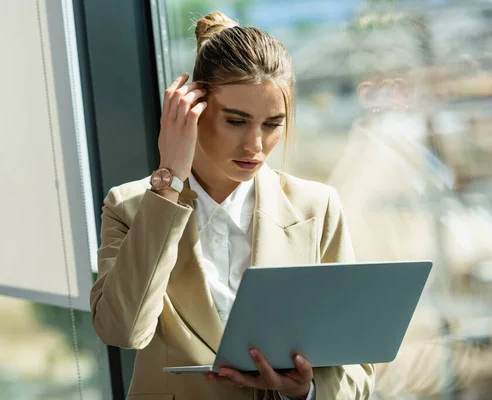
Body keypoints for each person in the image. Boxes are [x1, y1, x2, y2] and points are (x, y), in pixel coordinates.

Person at [90, 11, 375, 400]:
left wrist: (304, 390)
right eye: (236, 121)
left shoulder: (316, 208)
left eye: (273, 124)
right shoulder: (132, 207)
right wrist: (170, 178)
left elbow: (358, 371)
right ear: (194, 108)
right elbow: (123, 329)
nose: (255, 146)